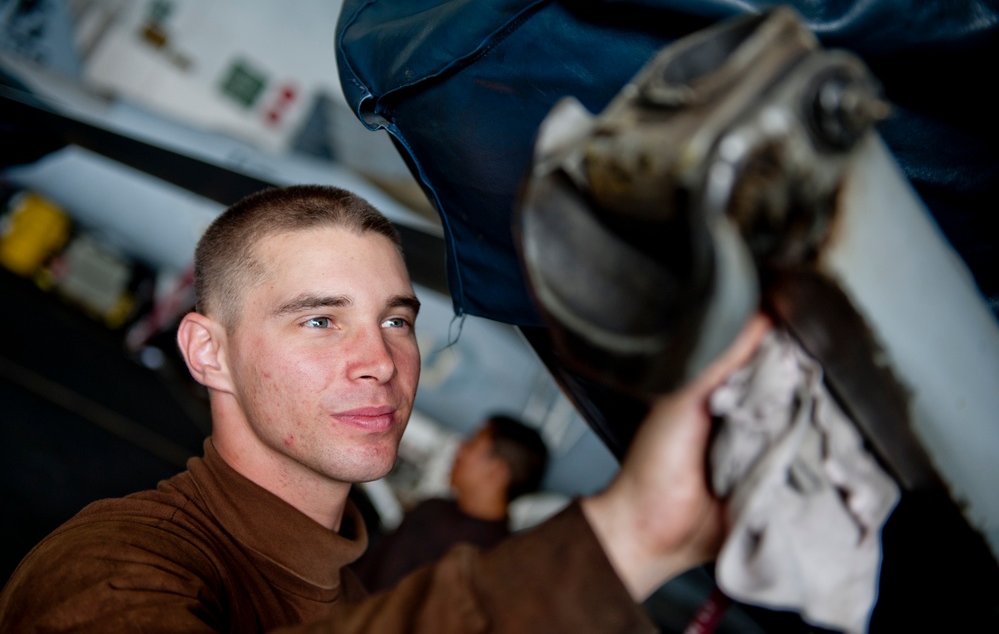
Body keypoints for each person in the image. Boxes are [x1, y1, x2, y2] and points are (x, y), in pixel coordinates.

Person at [0, 184, 770, 632]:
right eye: (318, 319)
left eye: (396, 321)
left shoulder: (351, 589)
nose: (381, 362)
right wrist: (626, 537)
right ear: (208, 354)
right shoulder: (110, 566)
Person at [352, 414, 549, 592]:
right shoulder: (435, 507)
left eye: (472, 443)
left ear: (497, 471)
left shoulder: (488, 560)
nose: (460, 448)